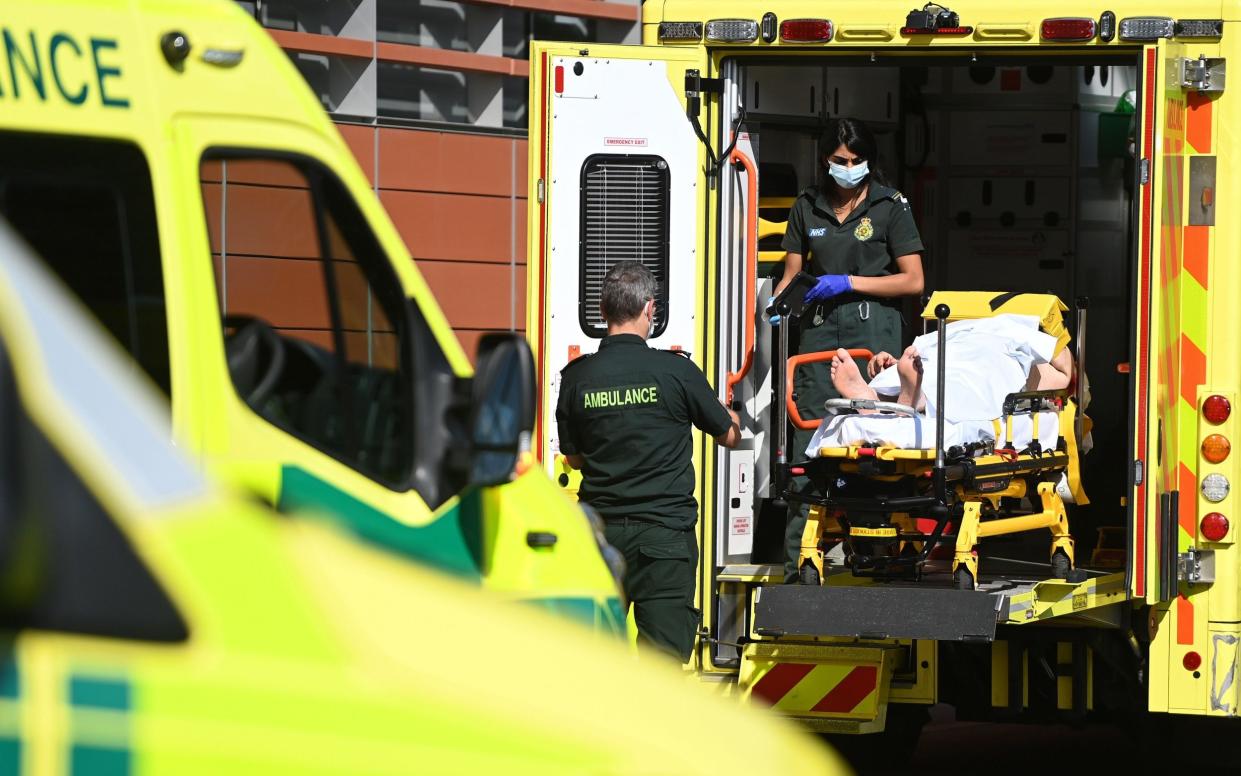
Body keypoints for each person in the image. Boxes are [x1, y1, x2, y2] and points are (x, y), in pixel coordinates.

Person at [558, 261, 741, 661]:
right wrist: (733, 417)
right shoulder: (675, 372)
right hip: (664, 540)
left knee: (595, 663)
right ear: (649, 310)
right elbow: (728, 436)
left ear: (603, 312)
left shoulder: (576, 378)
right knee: (661, 671)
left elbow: (572, 458)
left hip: (601, 540)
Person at [773, 117, 925, 582]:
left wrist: (850, 282)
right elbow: (793, 272)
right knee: (810, 447)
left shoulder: (889, 206)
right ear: (826, 160)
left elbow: (913, 280)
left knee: (872, 449)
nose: (849, 168)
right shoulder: (808, 207)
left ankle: (876, 560)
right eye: (841, 161)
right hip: (818, 338)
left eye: (858, 161)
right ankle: (801, 563)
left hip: (872, 336)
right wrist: (779, 308)